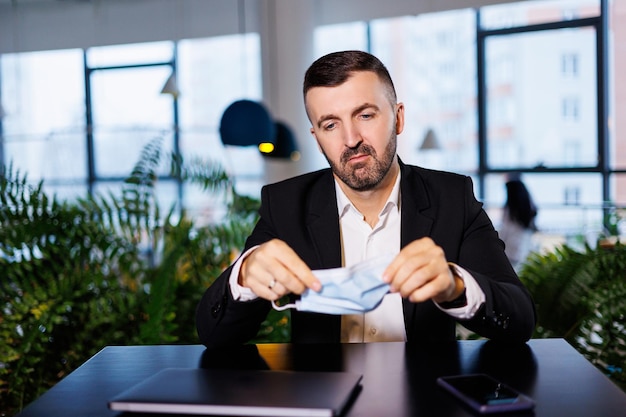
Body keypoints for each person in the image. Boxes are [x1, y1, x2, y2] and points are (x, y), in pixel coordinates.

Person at [196, 50, 536, 348]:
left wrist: (455, 285)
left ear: (398, 118)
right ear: (317, 138)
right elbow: (213, 334)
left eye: (365, 115)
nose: (351, 139)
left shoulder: (453, 197)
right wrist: (245, 277)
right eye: (330, 124)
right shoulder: (285, 204)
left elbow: (519, 319)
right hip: (324, 400)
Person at [499, 178, 538, 271]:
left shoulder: (510, 210)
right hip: (524, 249)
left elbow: (505, 231)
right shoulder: (529, 209)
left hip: (510, 250)